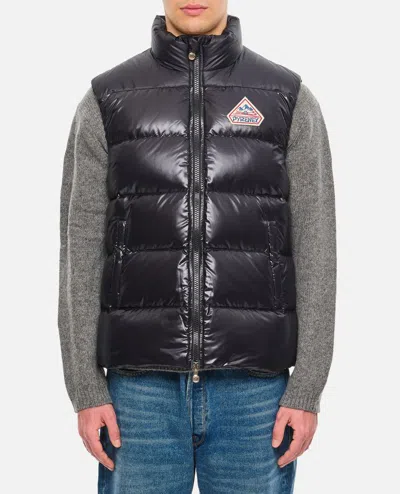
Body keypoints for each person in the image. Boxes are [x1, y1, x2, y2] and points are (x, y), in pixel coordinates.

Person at [58, 1, 336, 492]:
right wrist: (85, 387)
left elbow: (317, 244)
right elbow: (78, 247)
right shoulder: (107, 99)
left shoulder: (286, 97)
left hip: (256, 395)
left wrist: (307, 387)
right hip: (138, 395)